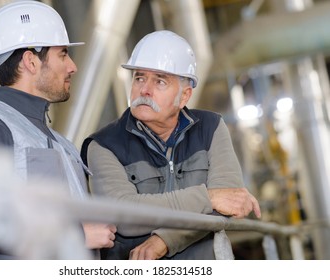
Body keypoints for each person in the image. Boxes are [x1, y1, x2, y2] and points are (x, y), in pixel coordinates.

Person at [0, 1, 116, 259]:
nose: (72, 66)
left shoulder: (61, 144)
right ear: (30, 61)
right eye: (62, 54)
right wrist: (78, 235)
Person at [81, 30, 261, 260]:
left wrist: (166, 240)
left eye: (160, 81)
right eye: (139, 78)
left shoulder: (211, 127)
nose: (144, 89)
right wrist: (208, 198)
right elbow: (125, 215)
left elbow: (228, 204)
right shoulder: (103, 145)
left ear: (184, 96)